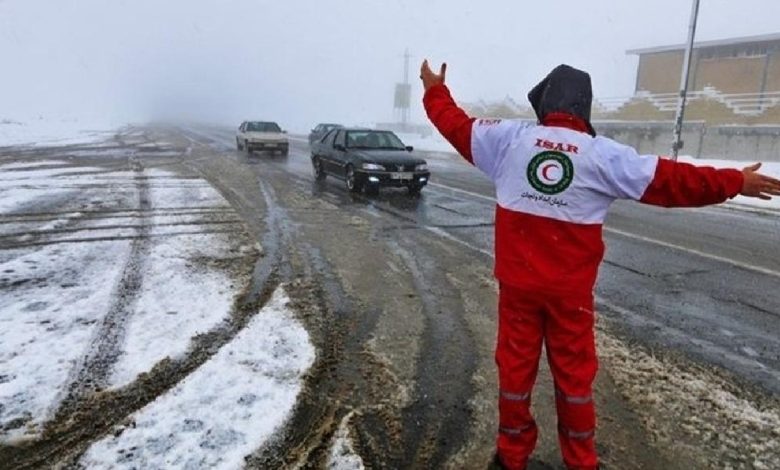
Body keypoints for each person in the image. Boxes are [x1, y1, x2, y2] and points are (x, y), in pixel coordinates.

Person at [419, 60, 780, 470]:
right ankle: (580, 460)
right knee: (574, 382)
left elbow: (454, 124)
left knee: (515, 375)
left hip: (518, 291)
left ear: (544, 101)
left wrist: (434, 90)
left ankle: (511, 455)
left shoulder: (508, 140)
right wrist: (735, 181)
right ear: (583, 107)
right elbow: (671, 180)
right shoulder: (602, 155)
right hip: (569, 298)